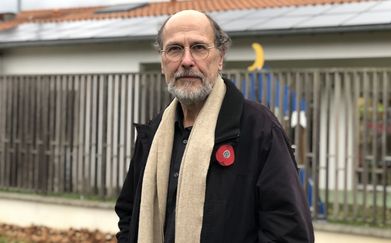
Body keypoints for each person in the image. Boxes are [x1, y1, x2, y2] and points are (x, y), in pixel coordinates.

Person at [115, 9, 314, 243]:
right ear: (162, 62)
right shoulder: (154, 133)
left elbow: (288, 231)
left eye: (199, 48)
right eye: (175, 49)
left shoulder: (258, 129)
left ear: (220, 58)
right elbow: (129, 215)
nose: (187, 61)